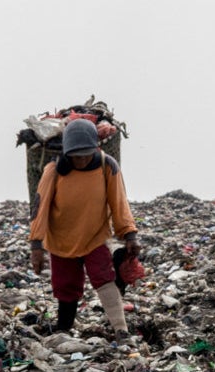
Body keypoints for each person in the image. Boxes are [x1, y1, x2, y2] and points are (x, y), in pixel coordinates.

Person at [28, 119, 140, 336]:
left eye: (86, 154)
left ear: (95, 149)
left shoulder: (107, 165)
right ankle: (64, 328)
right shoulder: (54, 170)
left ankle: (121, 329)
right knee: (66, 287)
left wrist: (130, 235)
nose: (81, 159)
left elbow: (119, 203)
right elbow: (39, 209)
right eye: (76, 155)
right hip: (61, 240)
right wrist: (36, 245)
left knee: (104, 278)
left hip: (94, 237)